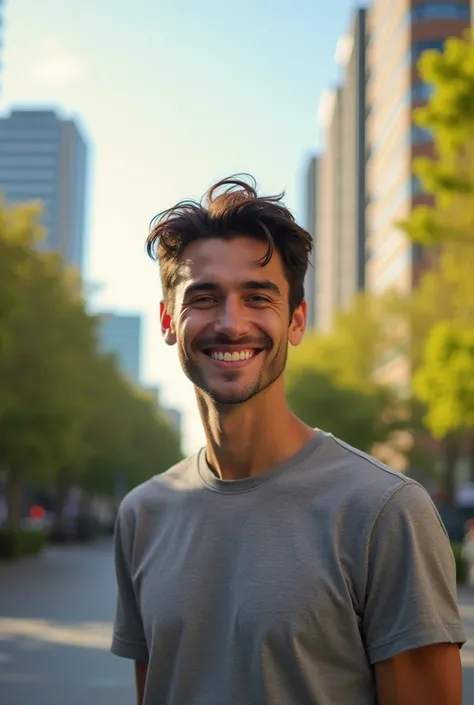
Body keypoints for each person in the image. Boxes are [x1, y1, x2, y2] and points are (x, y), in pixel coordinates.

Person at [111, 176, 466, 705]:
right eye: (203, 298)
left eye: (258, 297)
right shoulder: (142, 514)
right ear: (169, 320)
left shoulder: (385, 512)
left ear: (296, 320)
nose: (231, 324)